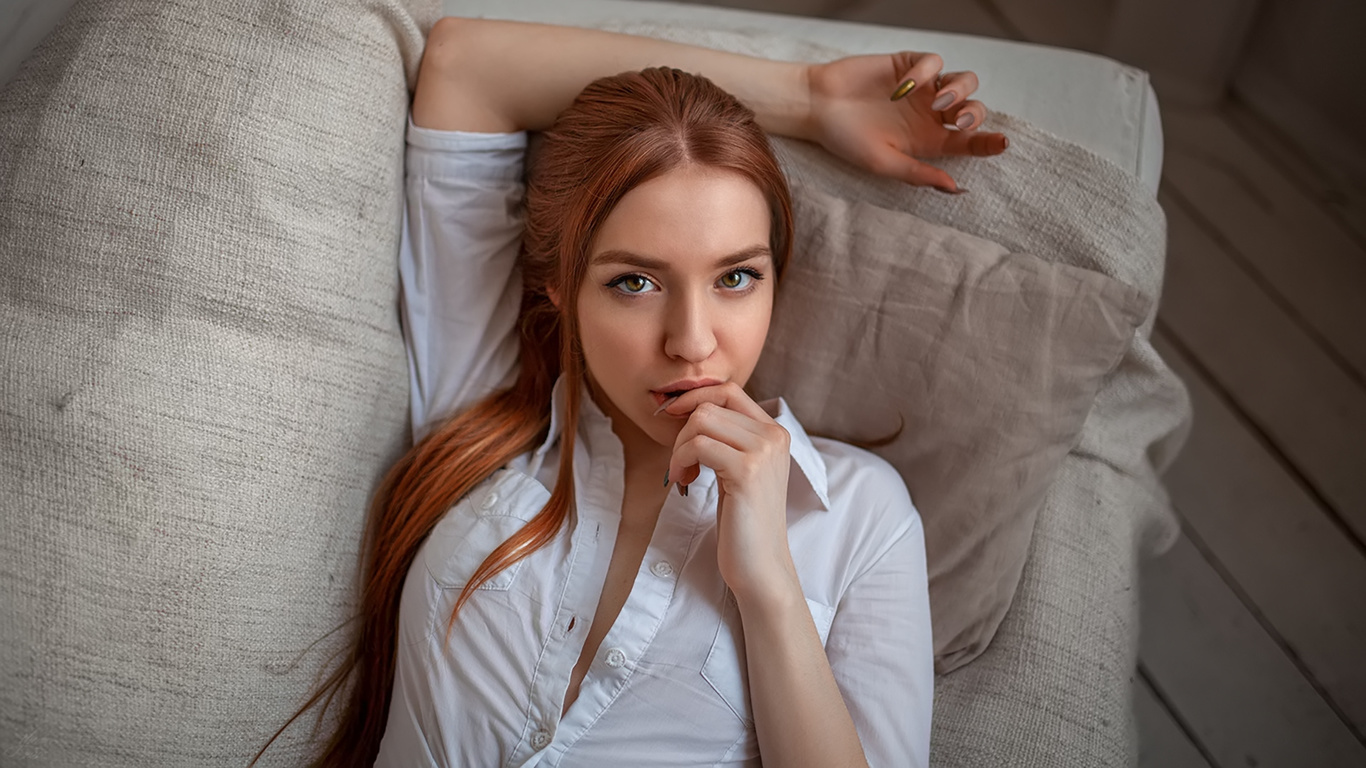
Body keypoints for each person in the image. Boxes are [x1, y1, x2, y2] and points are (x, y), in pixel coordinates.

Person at [254, 17, 1008, 768]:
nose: (692, 339)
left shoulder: (858, 517)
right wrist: (806, 97)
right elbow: (467, 67)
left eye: (736, 277)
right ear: (559, 287)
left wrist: (769, 587)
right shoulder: (487, 414)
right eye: (635, 282)